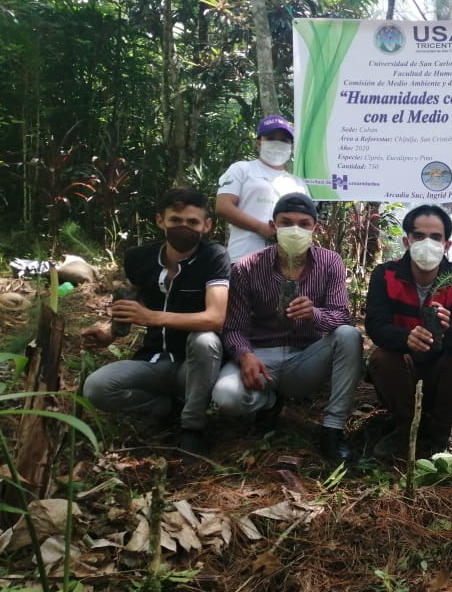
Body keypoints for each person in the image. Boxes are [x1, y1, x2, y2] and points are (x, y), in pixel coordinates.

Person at [211, 192, 363, 463]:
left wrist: (314, 314)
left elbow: (340, 317)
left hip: (306, 358)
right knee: (226, 396)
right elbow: (234, 327)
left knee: (349, 336)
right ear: (273, 226)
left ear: (315, 228)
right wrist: (245, 356)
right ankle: (269, 402)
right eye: (286, 222)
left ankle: (332, 429)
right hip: (261, 357)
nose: (295, 230)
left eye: (304, 224)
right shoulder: (247, 267)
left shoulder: (330, 263)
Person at [82, 188, 230, 455]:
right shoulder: (140, 258)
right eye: (176, 220)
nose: (183, 228)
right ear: (160, 221)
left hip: (193, 365)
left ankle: (192, 427)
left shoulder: (214, 258)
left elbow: (216, 318)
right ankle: (168, 408)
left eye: (193, 222)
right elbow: (129, 302)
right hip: (151, 361)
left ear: (206, 226)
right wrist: (109, 333)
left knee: (205, 339)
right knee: (96, 388)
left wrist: (151, 317)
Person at [365, 204, 452, 459]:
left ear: (447, 245)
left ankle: (441, 432)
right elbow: (375, 324)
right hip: (400, 368)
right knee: (382, 357)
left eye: (436, 237)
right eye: (419, 236)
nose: (427, 242)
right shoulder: (385, 275)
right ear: (407, 241)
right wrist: (406, 338)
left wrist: (442, 333)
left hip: (442, 369)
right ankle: (404, 430)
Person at [216, 114, 309, 263]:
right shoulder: (242, 169)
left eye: (284, 140)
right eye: (271, 138)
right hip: (244, 257)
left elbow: (306, 223)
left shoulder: (298, 184)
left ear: (291, 146)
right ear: (258, 143)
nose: (278, 143)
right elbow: (223, 206)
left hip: (285, 263)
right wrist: (260, 227)